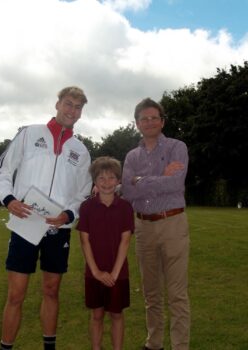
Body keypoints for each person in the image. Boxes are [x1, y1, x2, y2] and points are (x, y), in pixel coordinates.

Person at [0, 86, 92, 350]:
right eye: (68, 104)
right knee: (16, 294)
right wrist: (9, 199)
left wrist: (69, 213)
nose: (72, 111)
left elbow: (83, 193)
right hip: (26, 224)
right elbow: (0, 171)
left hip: (58, 228)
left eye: (78, 107)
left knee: (51, 291)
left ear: (81, 113)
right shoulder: (29, 134)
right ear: (57, 104)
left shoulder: (80, 151)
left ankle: (49, 347)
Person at [122, 98, 190, 350]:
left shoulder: (177, 147)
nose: (149, 122)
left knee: (177, 294)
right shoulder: (131, 155)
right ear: (137, 123)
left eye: (154, 118)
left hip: (172, 223)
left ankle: (180, 346)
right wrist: (159, 177)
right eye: (144, 118)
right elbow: (127, 192)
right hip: (143, 227)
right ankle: (154, 343)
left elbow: (175, 184)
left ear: (162, 121)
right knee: (151, 293)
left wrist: (140, 180)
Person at [77, 157, 134, 350]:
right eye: (101, 178)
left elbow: (125, 240)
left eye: (111, 178)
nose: (106, 182)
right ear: (94, 181)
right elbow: (84, 241)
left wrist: (115, 274)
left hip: (119, 273)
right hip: (94, 272)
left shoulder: (126, 207)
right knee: (97, 314)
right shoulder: (86, 207)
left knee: (117, 314)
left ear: (118, 180)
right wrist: (96, 272)